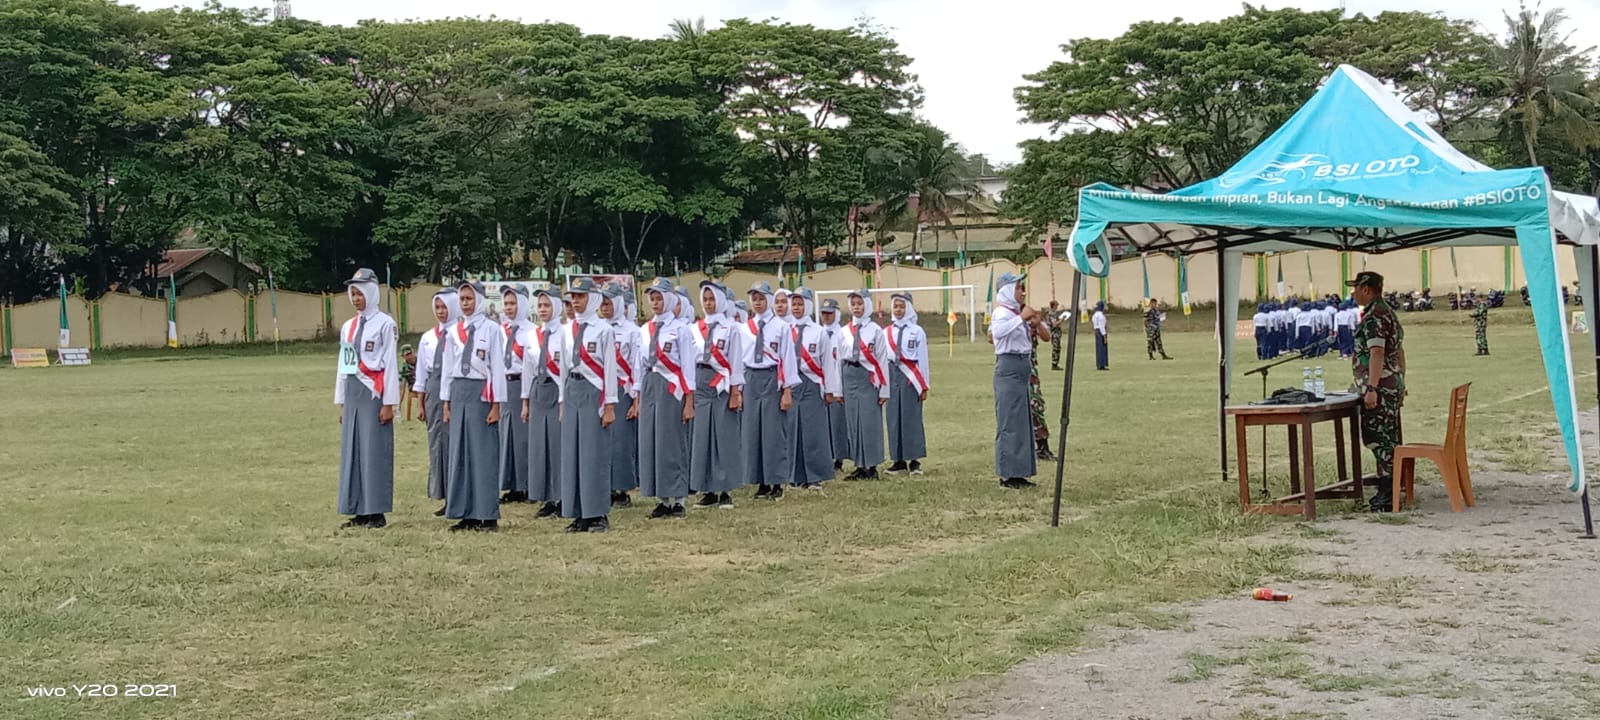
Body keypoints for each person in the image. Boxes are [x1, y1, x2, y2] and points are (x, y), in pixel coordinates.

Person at [334, 268, 400, 529]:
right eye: (353, 293)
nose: (356, 297)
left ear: (371, 292)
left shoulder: (385, 323)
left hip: (374, 392)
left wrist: (389, 403)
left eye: (360, 292)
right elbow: (343, 364)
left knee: (374, 451)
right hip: (353, 392)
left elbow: (391, 365)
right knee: (354, 451)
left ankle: (376, 510)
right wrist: (341, 401)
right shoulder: (348, 327)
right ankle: (357, 507)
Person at [441, 280, 507, 532]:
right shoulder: (454, 331)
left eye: (469, 299)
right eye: (462, 299)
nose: (465, 304)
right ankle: (465, 511)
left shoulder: (491, 329)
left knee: (483, 454)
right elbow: (448, 368)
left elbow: (497, 367)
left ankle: (487, 514)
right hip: (459, 391)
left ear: (479, 300)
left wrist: (496, 404)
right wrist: (446, 402)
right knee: (461, 452)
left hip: (481, 393)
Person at [558, 277, 620, 532]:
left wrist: (609, 405)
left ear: (591, 298)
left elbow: (610, 370)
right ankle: (578, 511)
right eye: (573, 297)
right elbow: (563, 367)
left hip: (594, 390)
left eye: (580, 296)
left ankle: (597, 513)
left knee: (593, 454)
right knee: (573, 453)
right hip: (573, 389)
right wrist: (562, 400)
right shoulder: (565, 329)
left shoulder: (603, 329)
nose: (575, 301)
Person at [1347, 271, 1406, 512]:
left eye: (1355, 289)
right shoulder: (1387, 312)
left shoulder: (1375, 317)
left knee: (1379, 439)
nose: (1353, 293)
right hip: (1390, 385)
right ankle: (1391, 488)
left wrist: (1371, 387)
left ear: (1366, 289)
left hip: (1380, 388)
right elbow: (1399, 352)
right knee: (1389, 438)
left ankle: (1387, 493)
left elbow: (1377, 353)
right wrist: (1401, 378)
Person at [636, 278, 695, 518]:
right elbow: (638, 365)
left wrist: (689, 401)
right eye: (652, 298)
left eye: (659, 298)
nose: (655, 302)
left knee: (671, 442)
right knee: (652, 441)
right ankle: (661, 497)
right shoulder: (644, 330)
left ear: (670, 299)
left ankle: (679, 498)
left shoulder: (681, 328)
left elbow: (688, 366)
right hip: (650, 384)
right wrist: (638, 396)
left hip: (672, 386)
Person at [990, 273, 1050, 489]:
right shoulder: (1001, 313)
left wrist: (1033, 321)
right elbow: (996, 333)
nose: (1022, 292)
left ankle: (1020, 471)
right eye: (1018, 288)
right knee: (1009, 422)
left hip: (1022, 368)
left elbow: (1045, 336)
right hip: (1009, 368)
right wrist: (1021, 319)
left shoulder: (1016, 313)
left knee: (1021, 423)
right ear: (1007, 291)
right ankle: (1007, 474)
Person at [691, 282, 745, 509]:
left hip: (721, 384)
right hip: (701, 382)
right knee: (702, 437)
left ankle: (725, 490)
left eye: (712, 299)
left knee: (723, 437)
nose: (708, 303)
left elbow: (735, 360)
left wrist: (735, 391)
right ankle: (707, 489)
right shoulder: (695, 328)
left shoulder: (731, 328)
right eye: (705, 299)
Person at [825, 289, 890, 480]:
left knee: (869, 421)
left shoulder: (876, 330)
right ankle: (859, 464)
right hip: (848, 374)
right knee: (853, 421)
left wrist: (884, 389)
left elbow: (882, 360)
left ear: (867, 305)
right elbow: (837, 362)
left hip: (868, 376)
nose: (856, 307)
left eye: (860, 303)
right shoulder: (844, 332)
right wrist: (838, 388)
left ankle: (872, 465)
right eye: (853, 304)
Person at [741, 282, 798, 499]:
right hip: (750, 378)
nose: (757, 302)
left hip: (773, 376)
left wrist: (787, 390)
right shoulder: (745, 328)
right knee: (753, 431)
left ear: (769, 300)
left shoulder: (781, 326)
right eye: (754, 298)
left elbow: (788, 358)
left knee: (774, 432)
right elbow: (739, 360)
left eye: (761, 298)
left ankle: (776, 481)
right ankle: (760, 480)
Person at [413, 288, 460, 517]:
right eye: (438, 307)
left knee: (454, 441)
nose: (441, 312)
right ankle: (442, 493)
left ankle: (457, 493)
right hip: (433, 388)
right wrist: (421, 403)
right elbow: (421, 373)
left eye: (445, 307)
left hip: (454, 388)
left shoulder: (461, 334)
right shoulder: (428, 338)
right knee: (436, 441)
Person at [520, 287, 565, 519]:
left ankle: (561, 497)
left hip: (557, 391)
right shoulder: (532, 337)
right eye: (540, 306)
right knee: (540, 445)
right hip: (538, 391)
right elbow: (528, 371)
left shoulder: (566, 333)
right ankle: (547, 497)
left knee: (558, 445)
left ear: (557, 307)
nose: (543, 310)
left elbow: (566, 370)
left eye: (547, 305)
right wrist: (525, 401)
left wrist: (563, 400)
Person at [786, 287, 834, 489]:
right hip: (791, 383)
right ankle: (794, 474)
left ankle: (815, 476)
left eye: (800, 304)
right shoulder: (785, 330)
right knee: (792, 429)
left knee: (813, 431)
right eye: (794, 304)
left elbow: (827, 363)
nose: (796, 308)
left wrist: (830, 389)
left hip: (812, 383)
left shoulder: (819, 332)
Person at [600, 283, 641, 508]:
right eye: (602, 304)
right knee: (602, 441)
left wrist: (636, 398)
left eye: (608, 303)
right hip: (601, 389)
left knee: (621, 441)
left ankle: (622, 488)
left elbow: (636, 365)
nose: (605, 308)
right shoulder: (596, 328)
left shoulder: (632, 331)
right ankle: (604, 485)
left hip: (623, 387)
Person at [884, 292, 929, 475]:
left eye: (902, 306)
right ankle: (898, 460)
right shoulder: (886, 332)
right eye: (896, 306)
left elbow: (923, 359)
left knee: (911, 417)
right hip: (892, 376)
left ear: (909, 308)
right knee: (894, 418)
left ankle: (914, 459)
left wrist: (924, 385)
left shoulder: (917, 331)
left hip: (911, 378)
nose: (899, 310)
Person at [497, 286, 533, 504]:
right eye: (506, 303)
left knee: (523, 438)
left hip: (522, 384)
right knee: (506, 436)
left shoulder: (532, 331)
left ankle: (527, 484)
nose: (509, 308)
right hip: (504, 386)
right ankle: (510, 484)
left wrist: (526, 397)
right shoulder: (499, 331)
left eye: (513, 303)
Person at [819, 299, 850, 472]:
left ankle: (839, 458)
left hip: (837, 381)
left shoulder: (843, 334)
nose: (826, 317)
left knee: (837, 421)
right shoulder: (817, 332)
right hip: (821, 381)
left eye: (830, 313)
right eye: (824, 313)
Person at [1047, 300, 1065, 370]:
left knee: (1058, 349)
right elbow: (1054, 324)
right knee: (1055, 349)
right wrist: (1062, 320)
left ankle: (1056, 363)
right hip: (1055, 334)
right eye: (1056, 305)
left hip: (1057, 334)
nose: (1057, 307)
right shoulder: (1052, 314)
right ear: (1053, 306)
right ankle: (1054, 364)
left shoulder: (1054, 313)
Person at [1092, 301, 1109, 371]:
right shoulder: (1101, 316)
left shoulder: (1094, 315)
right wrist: (1105, 336)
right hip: (1101, 332)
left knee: (1098, 348)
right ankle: (1102, 364)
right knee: (1102, 348)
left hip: (1096, 331)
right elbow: (1102, 326)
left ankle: (1099, 363)